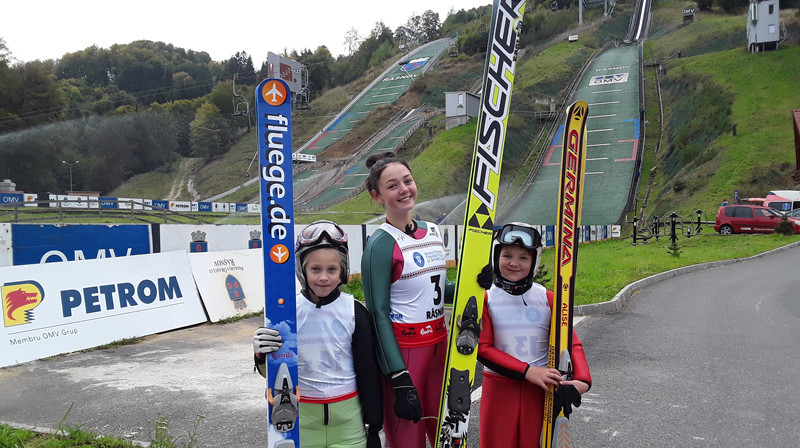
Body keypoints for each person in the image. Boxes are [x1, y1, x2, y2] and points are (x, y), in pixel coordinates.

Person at [360, 151, 491, 448]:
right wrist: (398, 376)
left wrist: (474, 284)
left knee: (449, 436)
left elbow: (436, 289)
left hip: (441, 350)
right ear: (377, 196)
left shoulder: (432, 231)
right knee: (408, 441)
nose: (404, 189)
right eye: (392, 186)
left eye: (407, 181)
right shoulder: (380, 244)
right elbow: (377, 313)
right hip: (406, 355)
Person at [253, 220, 383, 448]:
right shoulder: (288, 313)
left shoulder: (354, 311)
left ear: (343, 270)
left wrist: (375, 427)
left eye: (332, 269)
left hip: (348, 422)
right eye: (315, 269)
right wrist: (260, 356)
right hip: (303, 418)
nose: (324, 277)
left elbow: (368, 371)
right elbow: (274, 374)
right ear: (302, 269)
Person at [477, 222, 592, 448]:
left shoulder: (548, 298)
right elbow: (482, 348)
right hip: (499, 389)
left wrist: (583, 381)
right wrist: (528, 371)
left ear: (534, 261)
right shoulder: (486, 298)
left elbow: (572, 342)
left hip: (541, 391)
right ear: (496, 255)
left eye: (523, 258)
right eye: (507, 255)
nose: (514, 263)